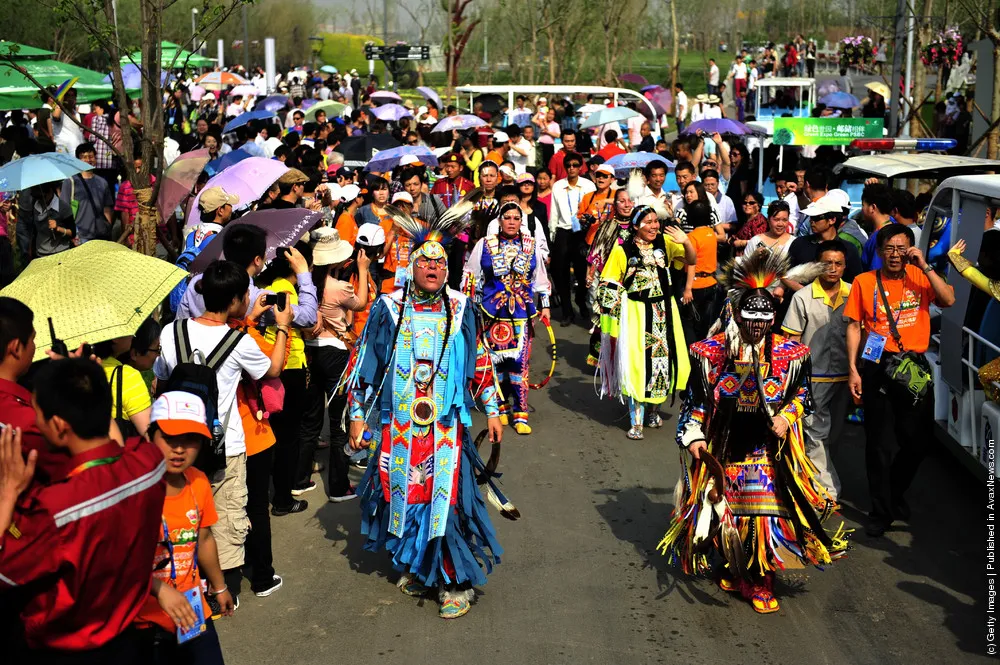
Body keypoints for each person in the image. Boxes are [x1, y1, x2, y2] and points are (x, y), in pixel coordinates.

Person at [661, 250, 846, 614]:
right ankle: (733, 564)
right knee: (725, 513)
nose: (758, 325)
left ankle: (759, 581)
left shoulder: (793, 355)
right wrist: (695, 437)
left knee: (763, 515)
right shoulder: (707, 353)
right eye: (751, 317)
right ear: (735, 313)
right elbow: (694, 401)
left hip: (768, 451)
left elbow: (803, 396)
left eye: (765, 317)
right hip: (721, 448)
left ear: (775, 316)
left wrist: (787, 416)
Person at [345, 203, 505, 620]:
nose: (432, 269)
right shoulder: (388, 308)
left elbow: (480, 361)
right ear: (411, 267)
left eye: (439, 264)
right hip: (399, 425)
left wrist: (492, 409)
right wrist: (358, 415)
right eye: (425, 263)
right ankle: (424, 566)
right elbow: (366, 367)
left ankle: (454, 582)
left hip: (447, 427)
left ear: (448, 270)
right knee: (407, 495)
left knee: (446, 501)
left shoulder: (461, 308)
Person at [0, 358, 167, 661]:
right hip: (127, 636)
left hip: (65, 648)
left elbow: (5, 573)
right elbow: (117, 447)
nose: (34, 423)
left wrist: (8, 495)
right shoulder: (149, 463)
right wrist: (80, 380)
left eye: (36, 414)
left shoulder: (54, 509)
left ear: (59, 426)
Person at [155, 260, 293, 604]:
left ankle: (189, 581)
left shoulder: (171, 331)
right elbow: (273, 368)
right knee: (226, 517)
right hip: (224, 444)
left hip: (177, 441)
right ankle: (222, 592)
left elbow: (161, 374)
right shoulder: (239, 341)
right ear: (234, 300)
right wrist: (283, 327)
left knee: (186, 512)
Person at [845, 224, 956, 537]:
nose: (895, 255)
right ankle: (881, 510)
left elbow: (948, 300)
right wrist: (854, 369)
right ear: (880, 251)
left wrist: (926, 265)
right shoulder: (864, 282)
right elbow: (854, 326)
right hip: (877, 365)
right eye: (889, 248)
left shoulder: (921, 276)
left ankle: (894, 491)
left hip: (914, 368)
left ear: (911, 250)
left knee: (918, 441)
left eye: (901, 248)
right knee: (878, 444)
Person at [134, 392, 234, 663]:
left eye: (190, 440)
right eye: (169, 438)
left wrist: (219, 586)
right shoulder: (131, 490)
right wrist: (157, 589)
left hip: (192, 613)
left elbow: (203, 539)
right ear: (150, 436)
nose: (179, 449)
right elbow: (115, 562)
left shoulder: (199, 482)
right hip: (142, 622)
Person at [595, 205, 695, 440]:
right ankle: (636, 421)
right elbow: (607, 282)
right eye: (648, 222)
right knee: (638, 364)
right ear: (636, 225)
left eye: (655, 221)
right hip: (637, 313)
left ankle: (652, 412)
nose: (653, 226)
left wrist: (687, 241)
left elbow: (691, 259)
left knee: (661, 363)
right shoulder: (623, 250)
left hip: (664, 311)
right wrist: (618, 311)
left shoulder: (665, 243)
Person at [463, 202, 551, 434]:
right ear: (500, 221)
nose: (512, 222)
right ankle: (500, 406)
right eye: (507, 217)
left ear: (521, 221)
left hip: (522, 312)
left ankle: (520, 412)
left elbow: (540, 277)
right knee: (495, 362)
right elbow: (470, 274)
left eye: (516, 218)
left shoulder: (530, 246)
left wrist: (546, 305)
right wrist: (468, 303)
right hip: (492, 312)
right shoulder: (486, 244)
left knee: (520, 362)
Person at [298, 228, 371, 502]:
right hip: (336, 354)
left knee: (309, 421)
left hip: (310, 353)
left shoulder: (303, 285)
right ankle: (339, 488)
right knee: (340, 422)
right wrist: (362, 270)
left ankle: (300, 479)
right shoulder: (338, 287)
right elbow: (361, 303)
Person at [782, 240, 852, 500]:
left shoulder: (855, 293)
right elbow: (791, 342)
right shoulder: (802, 297)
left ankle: (811, 475)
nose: (832, 269)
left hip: (847, 376)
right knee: (817, 434)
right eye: (827, 264)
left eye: (838, 264)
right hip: (815, 377)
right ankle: (827, 493)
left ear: (845, 266)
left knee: (833, 435)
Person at [256, 242, 317, 515]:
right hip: (288, 370)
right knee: (287, 438)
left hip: (274, 366)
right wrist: (305, 276)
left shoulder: (268, 284)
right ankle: (283, 498)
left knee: (276, 433)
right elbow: (308, 318)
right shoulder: (286, 288)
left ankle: (275, 490)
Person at [549, 152, 596, 326]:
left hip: (582, 232)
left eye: (575, 165)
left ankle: (582, 302)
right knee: (559, 271)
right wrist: (552, 234)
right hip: (564, 230)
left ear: (580, 167)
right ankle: (567, 311)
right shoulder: (558, 186)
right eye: (568, 165)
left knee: (582, 270)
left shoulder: (588, 186)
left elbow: (593, 209)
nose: (571, 169)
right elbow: (554, 211)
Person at [788, 190, 864, 283]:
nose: (811, 221)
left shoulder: (849, 249)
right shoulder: (799, 244)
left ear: (832, 220)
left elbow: (855, 283)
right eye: (811, 217)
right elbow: (786, 276)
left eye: (817, 217)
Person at [679, 200, 718, 343]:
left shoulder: (691, 237)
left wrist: (687, 288)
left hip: (695, 286)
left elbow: (692, 263)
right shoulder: (711, 233)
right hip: (711, 283)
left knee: (690, 324)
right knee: (705, 325)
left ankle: (692, 355)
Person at [67, 142, 114, 243]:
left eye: (91, 156)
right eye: (84, 157)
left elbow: (107, 207)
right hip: (80, 235)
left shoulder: (102, 182)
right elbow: (65, 209)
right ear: (77, 160)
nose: (88, 160)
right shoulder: (71, 182)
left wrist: (108, 226)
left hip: (100, 234)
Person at [29, 180, 75, 257]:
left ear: (50, 191)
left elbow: (72, 233)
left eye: (41, 196)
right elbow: (34, 231)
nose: (39, 199)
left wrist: (58, 229)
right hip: (40, 254)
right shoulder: (35, 206)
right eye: (36, 197)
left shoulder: (63, 207)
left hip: (60, 253)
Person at [729, 191, 768, 256]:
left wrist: (741, 243)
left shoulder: (760, 221)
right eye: (745, 202)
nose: (747, 205)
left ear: (759, 205)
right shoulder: (745, 219)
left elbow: (761, 244)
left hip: (752, 260)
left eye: (751, 203)